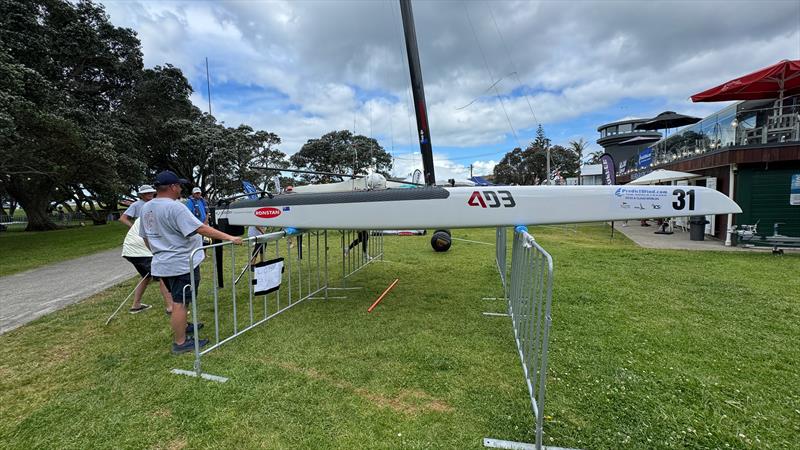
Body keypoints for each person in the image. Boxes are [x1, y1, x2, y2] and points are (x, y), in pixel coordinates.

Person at [140, 170, 242, 354]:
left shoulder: (147, 207)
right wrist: (230, 237)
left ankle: (184, 325)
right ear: (172, 187)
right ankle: (181, 343)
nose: (180, 188)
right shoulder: (175, 207)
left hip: (162, 262)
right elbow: (201, 228)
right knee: (180, 302)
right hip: (181, 263)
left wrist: (157, 252)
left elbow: (145, 237)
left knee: (178, 298)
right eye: (179, 185)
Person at [122, 217, 174, 314]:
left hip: (129, 250)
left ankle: (136, 305)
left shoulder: (147, 212)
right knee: (163, 276)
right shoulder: (157, 213)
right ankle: (171, 307)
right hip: (141, 250)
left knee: (145, 276)